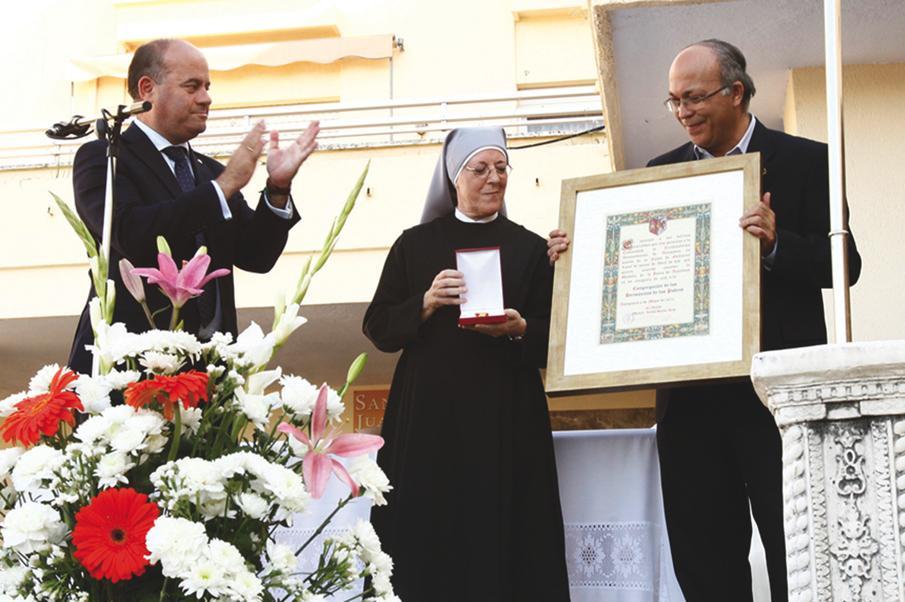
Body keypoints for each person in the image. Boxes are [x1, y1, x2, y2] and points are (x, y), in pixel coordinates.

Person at [548, 39, 861, 601]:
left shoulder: (808, 160)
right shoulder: (657, 173)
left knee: (800, 550)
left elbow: (846, 265)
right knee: (704, 556)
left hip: (776, 398)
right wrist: (583, 253)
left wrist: (775, 243)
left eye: (694, 97)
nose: (683, 111)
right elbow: (635, 274)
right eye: (674, 102)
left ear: (736, 91)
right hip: (690, 402)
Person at [363, 127, 570, 602]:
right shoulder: (413, 245)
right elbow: (377, 325)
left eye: (501, 168)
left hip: (507, 417)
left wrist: (520, 328)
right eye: (480, 169)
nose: (494, 178)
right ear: (455, 177)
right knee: (427, 537)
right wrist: (425, 302)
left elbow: (555, 337)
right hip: (430, 422)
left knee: (510, 535)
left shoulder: (531, 248)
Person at [67, 39, 318, 373]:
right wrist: (223, 187)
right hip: (128, 369)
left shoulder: (210, 173)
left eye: (208, 87)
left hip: (208, 373)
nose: (206, 98)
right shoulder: (105, 157)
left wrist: (277, 187)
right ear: (147, 89)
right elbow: (130, 233)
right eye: (192, 86)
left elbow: (257, 256)